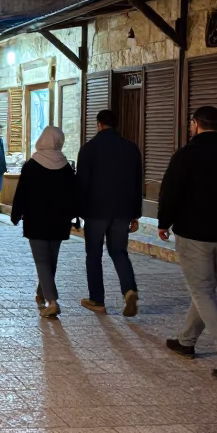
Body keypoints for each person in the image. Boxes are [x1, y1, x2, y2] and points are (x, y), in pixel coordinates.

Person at [158, 105, 217, 378]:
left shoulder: (186, 155)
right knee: (205, 289)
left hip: (194, 234)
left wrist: (163, 222)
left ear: (195, 124)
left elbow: (170, 191)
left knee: (202, 291)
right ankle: (186, 341)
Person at [76, 108, 142, 316]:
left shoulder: (89, 148)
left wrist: (78, 211)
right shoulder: (131, 148)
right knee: (119, 251)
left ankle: (97, 299)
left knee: (94, 253)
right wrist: (135, 213)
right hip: (123, 211)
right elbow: (137, 183)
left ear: (98, 124)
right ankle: (129, 290)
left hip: (95, 211)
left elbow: (82, 183)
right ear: (116, 125)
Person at [10, 125, 78, 319]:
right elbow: (74, 194)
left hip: (36, 219)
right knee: (51, 259)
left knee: (42, 260)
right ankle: (42, 292)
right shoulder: (65, 167)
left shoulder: (32, 165)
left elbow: (22, 192)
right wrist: (74, 216)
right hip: (59, 221)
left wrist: (16, 214)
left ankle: (52, 301)